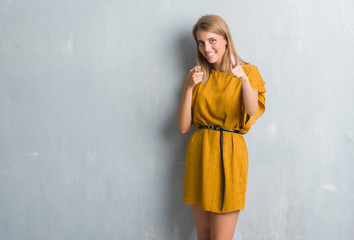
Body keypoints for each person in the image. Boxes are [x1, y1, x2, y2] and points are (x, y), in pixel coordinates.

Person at [177, 14, 266, 240]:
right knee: (204, 235)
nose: (207, 48)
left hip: (229, 154)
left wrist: (244, 80)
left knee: (221, 238)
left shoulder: (249, 72)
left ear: (226, 39)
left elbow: (252, 109)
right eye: (201, 42)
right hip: (200, 153)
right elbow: (184, 127)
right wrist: (188, 88)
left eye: (212, 40)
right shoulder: (198, 76)